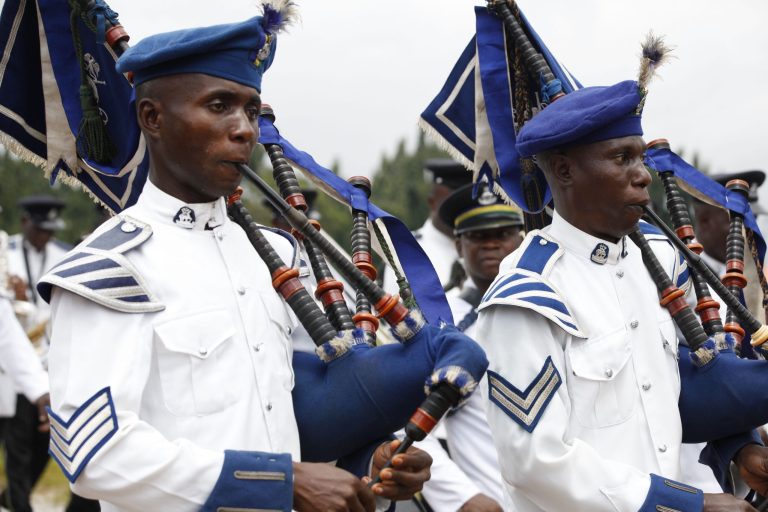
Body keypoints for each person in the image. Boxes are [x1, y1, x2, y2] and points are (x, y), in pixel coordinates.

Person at [38, 8, 429, 512]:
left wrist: (371, 457)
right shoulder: (110, 270)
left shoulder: (277, 254)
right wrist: (277, 482)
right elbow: (94, 455)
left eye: (250, 110)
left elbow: (291, 408)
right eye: (219, 106)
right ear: (151, 117)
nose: (243, 129)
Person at [476, 78, 768, 511]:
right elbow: (533, 460)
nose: (643, 174)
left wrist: (739, 445)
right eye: (622, 157)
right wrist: (689, 505)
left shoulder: (662, 261)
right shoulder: (528, 294)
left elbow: (691, 376)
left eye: (642, 156)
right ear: (563, 170)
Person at [409, 181, 525, 511]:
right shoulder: (437, 322)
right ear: (458, 245)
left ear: (521, 239)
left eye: (502, 234)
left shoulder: (556, 306)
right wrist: (463, 498)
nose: (491, 244)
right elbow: (406, 424)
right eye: (476, 236)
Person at [1, 195, 72, 512]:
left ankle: (14, 498)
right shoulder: (7, 252)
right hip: (9, 371)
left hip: (45, 364)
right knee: (17, 449)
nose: (46, 236)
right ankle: (19, 502)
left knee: (46, 445)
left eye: (50, 230)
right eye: (40, 229)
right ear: (25, 222)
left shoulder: (66, 255)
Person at [382, 159, 472, 295]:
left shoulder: (486, 246)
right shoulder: (406, 253)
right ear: (432, 202)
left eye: (467, 202)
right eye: (452, 204)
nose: (459, 209)